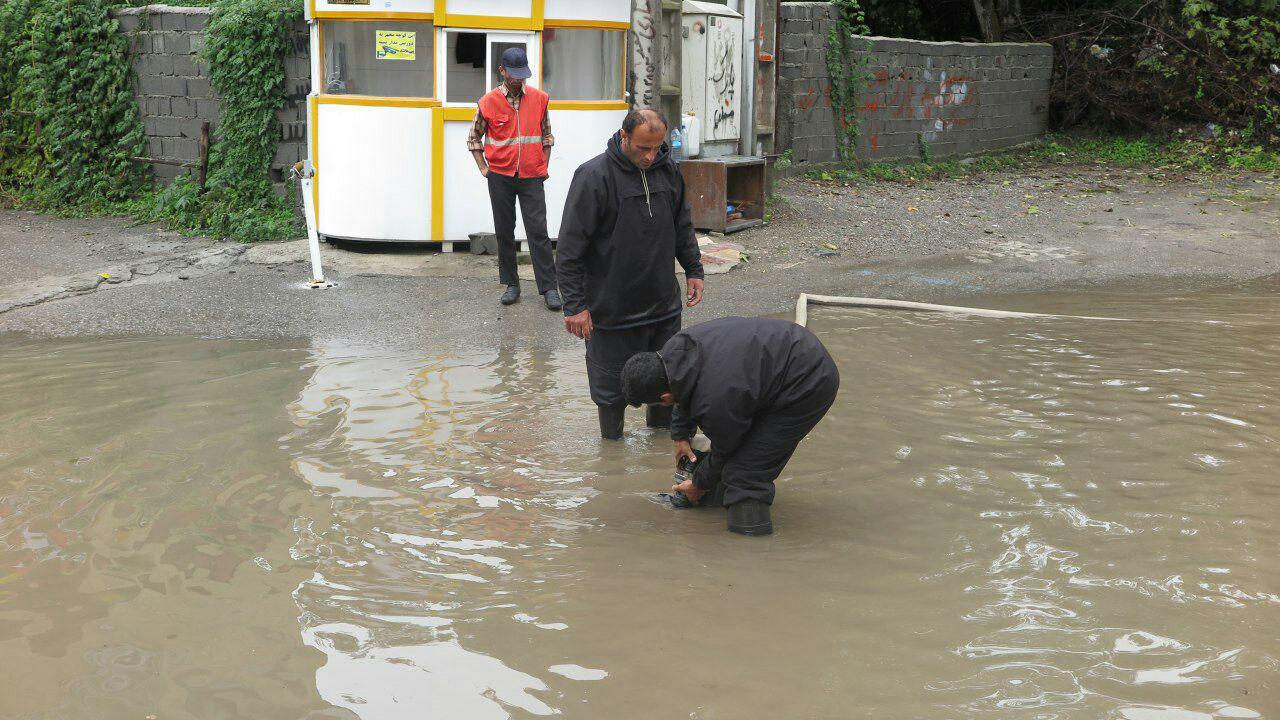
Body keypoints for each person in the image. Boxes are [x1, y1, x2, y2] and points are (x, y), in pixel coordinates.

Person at [556, 108, 705, 440]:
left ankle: (659, 450)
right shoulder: (594, 176)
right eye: (643, 149)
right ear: (623, 137)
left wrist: (694, 269)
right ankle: (611, 456)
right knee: (610, 392)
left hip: (662, 307)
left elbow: (682, 224)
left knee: (667, 385)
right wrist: (574, 306)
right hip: (610, 313)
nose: (650, 156)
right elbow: (569, 248)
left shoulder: (668, 171)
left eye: (656, 147)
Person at [619, 317, 841, 536]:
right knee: (736, 455)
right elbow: (685, 386)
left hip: (809, 382)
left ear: (665, 397)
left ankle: (749, 549)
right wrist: (681, 435)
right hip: (785, 355)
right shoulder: (675, 349)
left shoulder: (716, 399)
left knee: (745, 473)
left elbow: (726, 449)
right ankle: (717, 504)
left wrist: (698, 485)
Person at [467, 46, 561, 310]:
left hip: (532, 175)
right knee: (504, 232)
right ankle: (511, 284)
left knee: (538, 232)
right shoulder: (487, 102)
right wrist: (483, 168)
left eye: (523, 75)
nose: (519, 80)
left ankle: (549, 288)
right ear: (502, 71)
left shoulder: (540, 99)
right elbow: (473, 138)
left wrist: (544, 164)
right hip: (500, 176)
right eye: (514, 75)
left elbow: (546, 136)